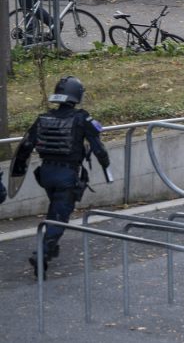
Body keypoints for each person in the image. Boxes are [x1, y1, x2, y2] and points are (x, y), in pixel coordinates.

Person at [11, 76, 110, 271]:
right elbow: (98, 147)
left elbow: (25, 147)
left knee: (55, 210)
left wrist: (19, 169)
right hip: (67, 175)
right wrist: (106, 165)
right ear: (77, 96)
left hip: (46, 174)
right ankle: (42, 253)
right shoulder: (82, 119)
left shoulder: (42, 119)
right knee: (60, 216)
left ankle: (52, 246)